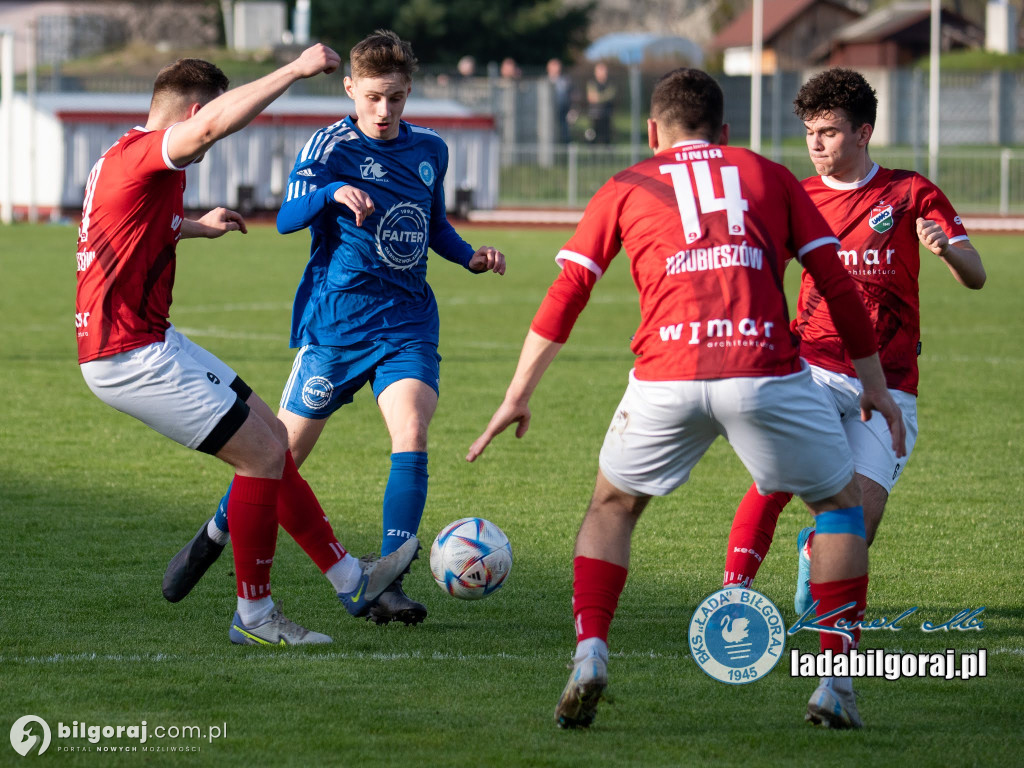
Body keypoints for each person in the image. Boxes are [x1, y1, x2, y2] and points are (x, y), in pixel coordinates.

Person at [466, 68, 906, 730]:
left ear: (652, 132)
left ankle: (590, 652)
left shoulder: (626, 184)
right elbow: (837, 285)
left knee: (612, 507)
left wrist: (516, 394)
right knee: (840, 508)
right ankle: (836, 682)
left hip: (666, 374)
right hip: (765, 369)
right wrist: (875, 383)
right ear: (725, 132)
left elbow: (568, 292)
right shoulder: (768, 175)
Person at [76, 45, 420, 646]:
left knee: (275, 441)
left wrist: (192, 226)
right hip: (128, 356)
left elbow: (129, 224)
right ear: (188, 112)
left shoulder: (117, 157)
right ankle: (255, 616)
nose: (208, 142)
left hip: (151, 340)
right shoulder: (149, 150)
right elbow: (210, 124)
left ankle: (350, 580)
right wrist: (292, 69)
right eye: (204, 125)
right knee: (260, 456)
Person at [161, 30, 506, 626]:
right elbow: (288, 219)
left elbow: (433, 225)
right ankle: (218, 528)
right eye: (373, 97)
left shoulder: (430, 150)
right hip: (335, 327)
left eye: (395, 98)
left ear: (408, 94)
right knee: (278, 456)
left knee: (413, 431)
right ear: (350, 89)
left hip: (406, 321)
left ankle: (390, 575)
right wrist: (329, 193)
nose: (384, 110)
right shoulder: (328, 146)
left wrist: (469, 254)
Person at [721, 68, 986, 613]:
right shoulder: (797, 196)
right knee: (774, 476)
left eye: (830, 132)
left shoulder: (911, 192)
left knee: (858, 526)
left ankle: (814, 551)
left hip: (889, 381)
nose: (816, 145)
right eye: (810, 133)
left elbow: (977, 274)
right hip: (812, 366)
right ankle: (731, 597)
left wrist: (946, 250)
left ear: (863, 133)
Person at [586, 62, 615, 144]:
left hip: (607, 115)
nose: (603, 73)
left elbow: (610, 95)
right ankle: (592, 156)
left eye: (605, 71)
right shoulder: (592, 83)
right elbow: (591, 97)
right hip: (594, 116)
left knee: (606, 139)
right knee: (592, 139)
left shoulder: (610, 84)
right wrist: (603, 96)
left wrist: (598, 97)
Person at [546, 58, 573, 144]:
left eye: (557, 66)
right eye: (553, 66)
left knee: (563, 134)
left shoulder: (565, 81)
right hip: (548, 114)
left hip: (562, 113)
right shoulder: (545, 81)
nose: (556, 69)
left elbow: (571, 96)